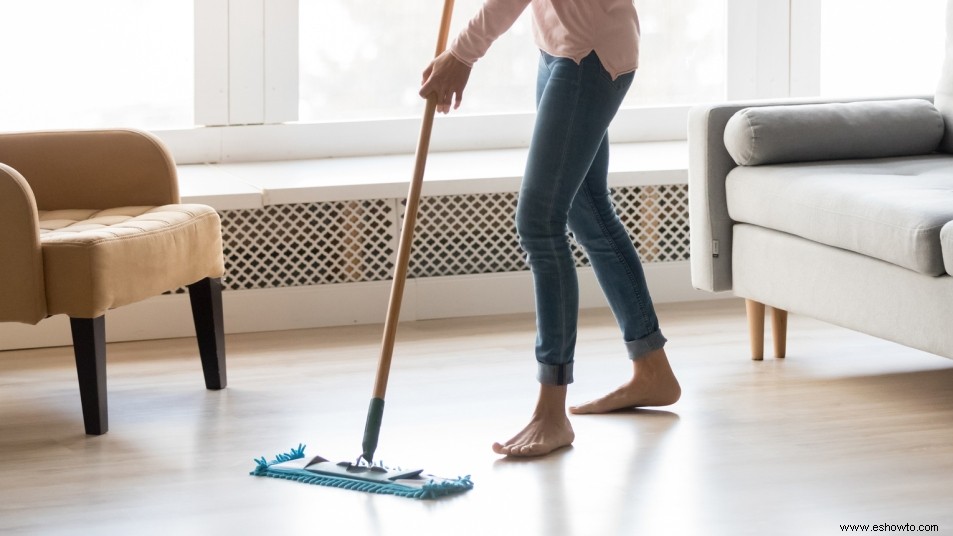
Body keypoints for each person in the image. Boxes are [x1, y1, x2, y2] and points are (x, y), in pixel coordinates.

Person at [420, 0, 681, 458]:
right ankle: (651, 368)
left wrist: (462, 54)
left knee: (540, 221)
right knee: (588, 209)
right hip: (563, 48)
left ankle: (551, 409)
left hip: (589, 54)